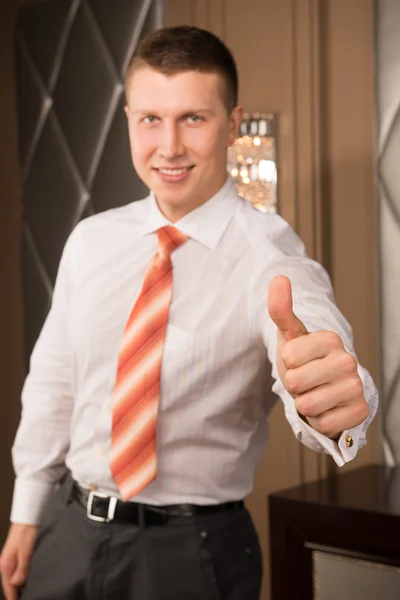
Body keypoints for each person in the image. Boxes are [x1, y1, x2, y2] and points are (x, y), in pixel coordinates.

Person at [0, 25, 377, 600]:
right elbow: (54, 385)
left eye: (193, 119)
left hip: (191, 552)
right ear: (129, 119)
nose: (168, 146)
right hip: (67, 530)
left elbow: (308, 334)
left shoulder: (270, 258)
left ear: (231, 122)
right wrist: (27, 514)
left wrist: (335, 403)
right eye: (150, 118)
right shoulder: (90, 241)